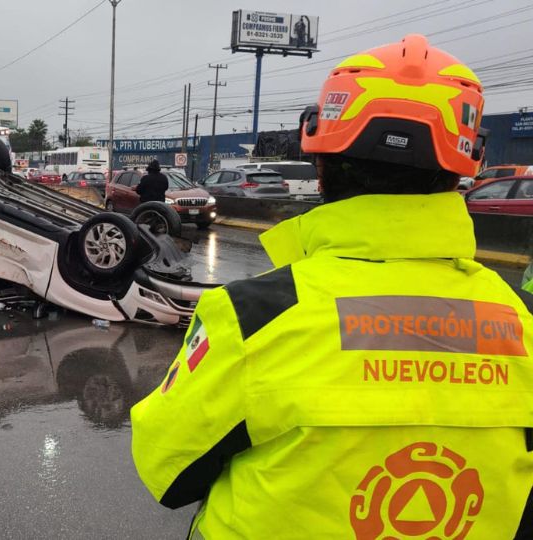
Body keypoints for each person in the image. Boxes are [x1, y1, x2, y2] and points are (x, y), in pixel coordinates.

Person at [131, 34, 533, 539]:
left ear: (320, 164)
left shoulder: (255, 317)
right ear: (464, 168)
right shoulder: (525, 323)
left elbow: (163, 466)